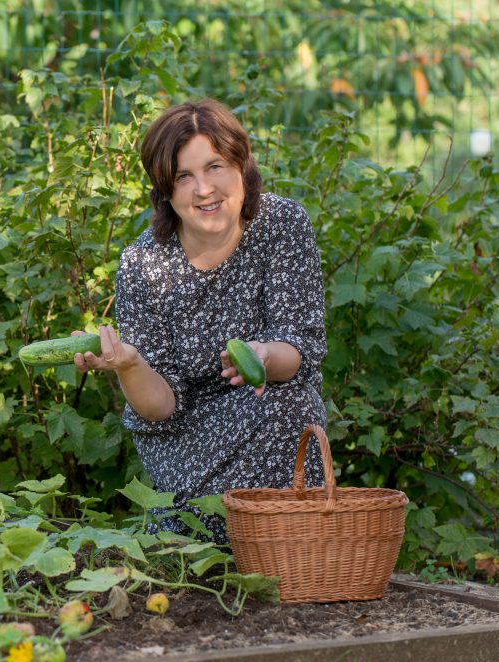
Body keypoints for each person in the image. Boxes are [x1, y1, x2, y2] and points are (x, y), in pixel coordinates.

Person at [73, 99, 326, 542]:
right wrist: (130, 364)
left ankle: (286, 545)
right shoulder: (144, 264)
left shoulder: (283, 224)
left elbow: (300, 346)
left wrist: (263, 355)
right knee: (209, 507)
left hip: (268, 409)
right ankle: (217, 537)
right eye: (183, 176)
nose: (204, 189)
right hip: (185, 439)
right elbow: (160, 408)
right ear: (165, 191)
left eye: (215, 167)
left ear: (242, 166)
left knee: (288, 403)